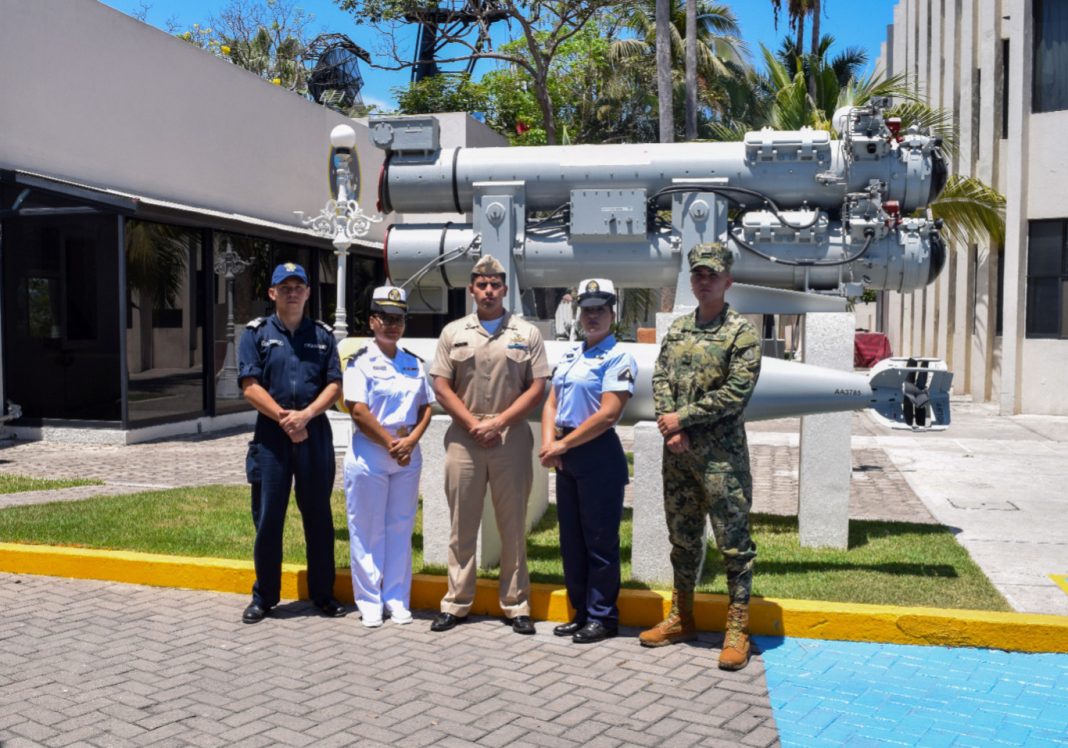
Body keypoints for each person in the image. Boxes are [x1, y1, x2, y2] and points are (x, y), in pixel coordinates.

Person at [641, 242, 762, 670]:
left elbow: (736, 393)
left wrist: (683, 419)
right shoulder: (679, 329)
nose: (704, 280)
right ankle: (682, 617)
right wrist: (669, 425)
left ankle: (737, 629)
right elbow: (660, 377)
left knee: (734, 546)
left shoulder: (741, 333)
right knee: (683, 540)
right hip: (679, 456)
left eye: (712, 274)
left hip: (721, 461)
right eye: (698, 274)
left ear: (728, 280)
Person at [428, 254, 550, 635]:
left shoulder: (526, 333)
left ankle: (516, 604)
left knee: (512, 524)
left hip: (509, 437)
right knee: (461, 523)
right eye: (481, 285)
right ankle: (456, 601)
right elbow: (441, 385)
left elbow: (537, 387)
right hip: (464, 439)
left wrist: (498, 422)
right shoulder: (453, 332)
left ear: (504, 289)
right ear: (471, 290)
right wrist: (472, 423)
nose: (488, 291)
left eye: (495, 284)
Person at [237, 262, 346, 624]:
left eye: (299, 287)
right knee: (269, 518)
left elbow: (334, 384)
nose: (293, 293)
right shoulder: (255, 334)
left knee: (319, 517)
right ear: (273, 293)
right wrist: (287, 420)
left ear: (308, 293)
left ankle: (323, 594)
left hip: (314, 434)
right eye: (285, 288)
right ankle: (265, 597)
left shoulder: (323, 335)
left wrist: (306, 416)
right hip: (272, 437)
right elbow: (250, 386)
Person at [539, 279, 637, 644]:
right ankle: (580, 612)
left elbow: (609, 414)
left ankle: (603, 617)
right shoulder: (571, 355)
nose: (592, 317)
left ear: (612, 314)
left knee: (600, 542)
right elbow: (551, 402)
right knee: (572, 541)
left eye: (600, 310)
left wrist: (562, 446)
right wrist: (549, 443)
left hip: (597, 454)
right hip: (566, 452)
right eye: (587, 310)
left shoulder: (618, 358)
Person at [343, 286, 434, 628]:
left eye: (398, 319)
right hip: (371, 452)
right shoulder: (360, 362)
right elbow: (358, 410)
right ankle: (369, 601)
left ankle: (396, 599)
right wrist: (391, 443)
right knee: (367, 530)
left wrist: (411, 440)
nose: (392, 325)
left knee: (400, 527)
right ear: (372, 321)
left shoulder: (413, 362)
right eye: (385, 318)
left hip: (407, 454)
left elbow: (426, 407)